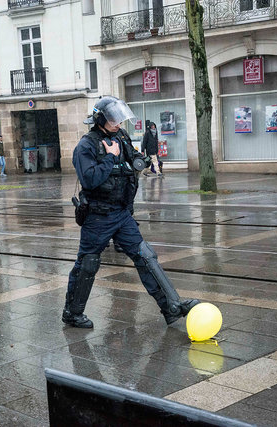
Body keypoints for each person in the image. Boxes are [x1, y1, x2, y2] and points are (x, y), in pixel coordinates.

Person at [63, 96, 198, 328]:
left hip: (122, 213)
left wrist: (139, 160)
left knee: (145, 256)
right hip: (98, 216)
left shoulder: (121, 136)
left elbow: (134, 157)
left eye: (119, 118)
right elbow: (90, 178)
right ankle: (73, 313)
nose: (118, 123)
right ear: (100, 119)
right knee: (87, 263)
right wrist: (110, 157)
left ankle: (171, 307)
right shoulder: (86, 145)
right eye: (113, 119)